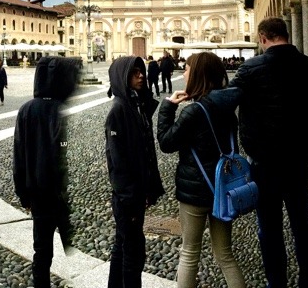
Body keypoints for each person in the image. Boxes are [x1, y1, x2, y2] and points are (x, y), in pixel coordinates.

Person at [227, 17, 308, 288]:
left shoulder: (249, 70)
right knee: (302, 222)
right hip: (300, 157)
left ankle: (277, 283)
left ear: (262, 38)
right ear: (286, 35)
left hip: (264, 160)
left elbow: (228, 102)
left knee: (269, 227)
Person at [155, 52, 244, 288]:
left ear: (198, 74)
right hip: (224, 188)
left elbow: (166, 143)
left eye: (187, 69)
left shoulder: (194, 111)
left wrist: (167, 107)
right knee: (225, 254)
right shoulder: (227, 108)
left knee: (189, 253)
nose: (183, 72)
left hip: (195, 191)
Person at [13, 56, 80, 288]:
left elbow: (19, 155)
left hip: (38, 192)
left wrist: (23, 194)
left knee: (41, 250)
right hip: (57, 193)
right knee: (62, 244)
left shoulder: (27, 110)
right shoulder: (60, 110)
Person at [104, 56, 164, 287]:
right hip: (127, 198)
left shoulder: (136, 106)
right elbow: (116, 161)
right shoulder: (119, 111)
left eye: (141, 71)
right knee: (133, 254)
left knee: (122, 246)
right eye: (134, 73)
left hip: (135, 194)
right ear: (122, 78)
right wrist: (130, 197)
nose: (141, 75)